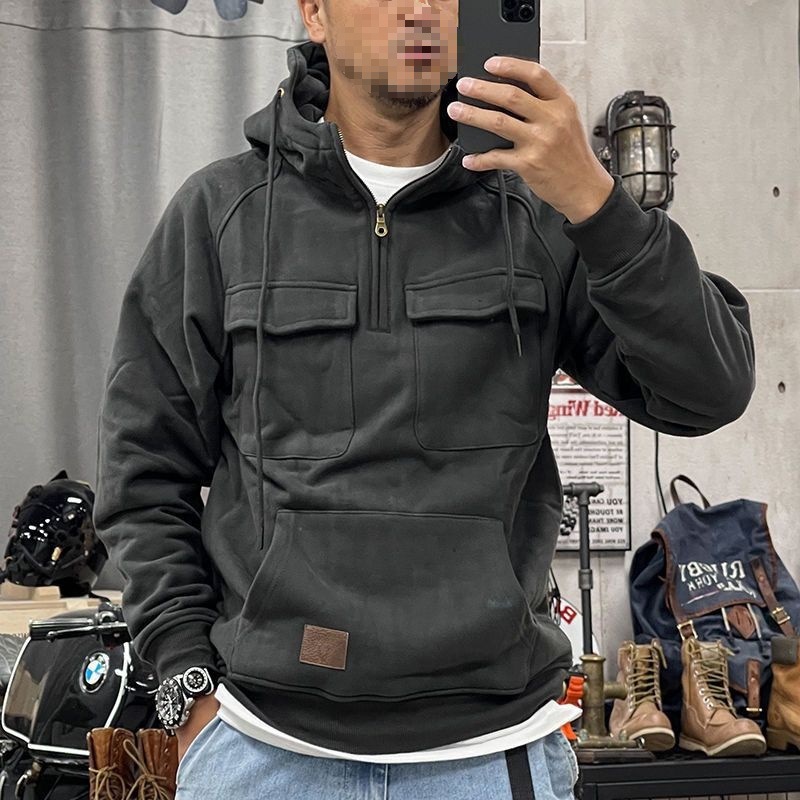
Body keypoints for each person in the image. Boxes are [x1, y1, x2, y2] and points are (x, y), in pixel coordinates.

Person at [93, 0, 756, 796]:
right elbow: (143, 474)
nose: (420, 9)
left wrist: (596, 201)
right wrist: (185, 676)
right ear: (315, 13)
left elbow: (708, 391)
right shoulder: (221, 214)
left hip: (491, 750)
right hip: (264, 750)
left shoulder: (540, 214)